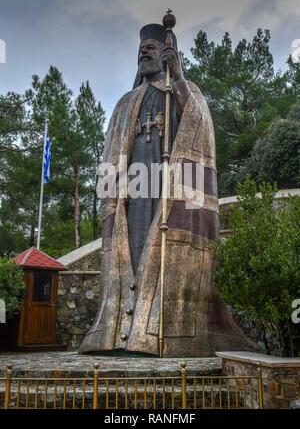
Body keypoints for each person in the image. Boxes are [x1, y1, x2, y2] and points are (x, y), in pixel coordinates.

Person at [79, 23, 257, 356]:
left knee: (158, 255)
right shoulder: (124, 103)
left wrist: (178, 79)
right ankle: (117, 336)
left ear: (167, 53)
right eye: (141, 48)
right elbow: (110, 153)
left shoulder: (183, 90)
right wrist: (113, 195)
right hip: (131, 199)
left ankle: (160, 334)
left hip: (167, 193)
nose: (144, 51)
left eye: (152, 47)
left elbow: (199, 125)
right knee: (129, 255)